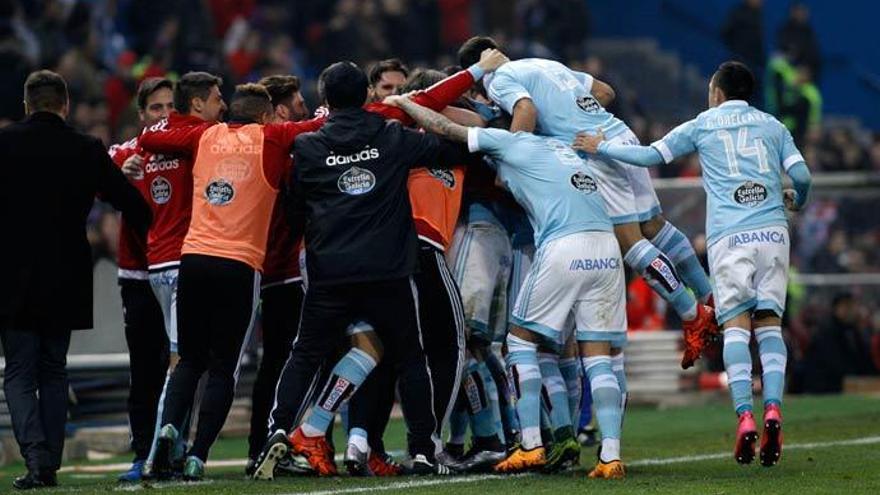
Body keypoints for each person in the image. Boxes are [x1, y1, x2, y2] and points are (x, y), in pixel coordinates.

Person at [251, 51, 508, 480]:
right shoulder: (391, 136)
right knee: (411, 358)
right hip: (388, 271)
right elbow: (451, 150)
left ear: (326, 100)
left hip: (330, 272)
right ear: (366, 94)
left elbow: (293, 211)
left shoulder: (309, 147)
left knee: (306, 354)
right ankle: (424, 449)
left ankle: (278, 431)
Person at [574, 61, 813, 467]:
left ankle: (744, 417)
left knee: (736, 324)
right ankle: (773, 409)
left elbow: (650, 155)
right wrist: (796, 200)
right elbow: (802, 176)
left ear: (717, 92)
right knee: (769, 323)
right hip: (773, 232)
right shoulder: (774, 126)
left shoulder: (703, 123)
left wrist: (601, 146)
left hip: (730, 235)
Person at [385, 93, 630, 479]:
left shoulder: (511, 141)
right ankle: (610, 455)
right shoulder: (562, 146)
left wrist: (406, 102)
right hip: (606, 248)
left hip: (563, 245)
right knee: (598, 356)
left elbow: (447, 129)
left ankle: (530, 444)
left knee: (520, 343)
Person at [458, 36, 717, 369]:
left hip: (595, 152)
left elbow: (526, 109)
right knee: (654, 225)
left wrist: (518, 156)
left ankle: (691, 313)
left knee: (630, 242)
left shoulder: (499, 79)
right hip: (618, 135)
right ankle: (708, 295)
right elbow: (606, 92)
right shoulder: (547, 65)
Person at [139, 83, 325, 480]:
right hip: (240, 265)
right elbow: (317, 126)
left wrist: (164, 124)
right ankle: (198, 454)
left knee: (189, 360)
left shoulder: (204, 134)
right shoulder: (272, 136)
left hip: (193, 259)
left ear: (230, 114)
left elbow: (149, 136)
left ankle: (171, 429)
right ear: (262, 116)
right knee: (224, 368)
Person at [0, 70, 151, 490]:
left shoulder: (4, 144)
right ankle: (49, 461)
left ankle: (33, 458)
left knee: (18, 371)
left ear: (27, 105)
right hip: (66, 273)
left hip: (11, 275)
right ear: (64, 105)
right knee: (53, 369)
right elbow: (133, 205)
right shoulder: (86, 148)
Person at [342, 69, 474, 476]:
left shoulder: (441, 140)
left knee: (385, 352)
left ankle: (363, 443)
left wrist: (423, 107)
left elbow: (480, 127)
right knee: (447, 348)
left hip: (388, 259)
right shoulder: (392, 142)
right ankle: (422, 444)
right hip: (416, 252)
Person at [108, 77, 174, 483]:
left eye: (170, 106)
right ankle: (142, 452)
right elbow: (104, 175)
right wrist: (123, 178)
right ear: (141, 115)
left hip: (184, 273)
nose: (164, 115)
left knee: (185, 367)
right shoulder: (126, 153)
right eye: (156, 108)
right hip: (138, 275)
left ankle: (175, 447)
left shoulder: (192, 149)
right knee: (145, 370)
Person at [244, 74, 311, 475]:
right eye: (299, 102)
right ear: (281, 111)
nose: (304, 106)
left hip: (263, 271)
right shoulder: (281, 152)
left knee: (274, 362)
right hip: (285, 271)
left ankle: (260, 446)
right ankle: (288, 441)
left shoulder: (249, 149)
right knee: (294, 360)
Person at [800, 293, 878, 393]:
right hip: (825, 386)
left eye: (852, 306)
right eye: (847, 306)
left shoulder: (853, 330)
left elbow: (863, 358)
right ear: (837, 308)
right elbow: (833, 362)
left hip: (847, 384)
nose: (851, 310)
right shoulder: (827, 331)